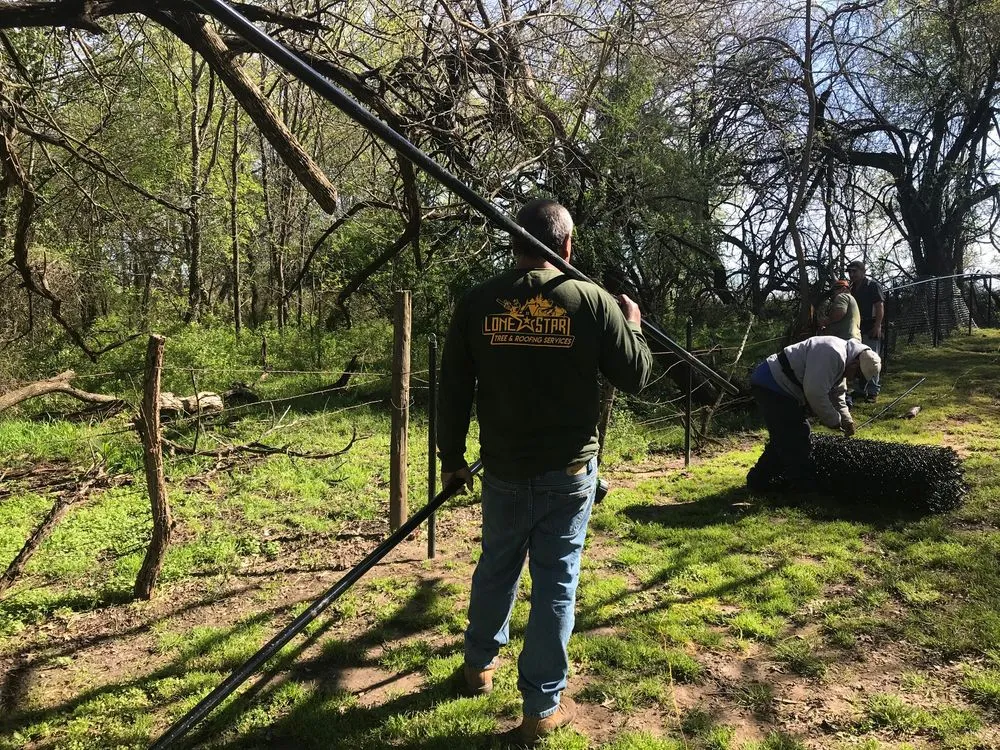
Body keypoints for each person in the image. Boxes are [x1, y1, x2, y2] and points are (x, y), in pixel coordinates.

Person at [437, 198, 652, 744]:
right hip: (568, 473)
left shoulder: (479, 302)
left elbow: (455, 389)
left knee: (497, 567)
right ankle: (540, 709)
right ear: (567, 247)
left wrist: (451, 458)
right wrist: (633, 325)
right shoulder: (594, 302)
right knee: (556, 582)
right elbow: (637, 375)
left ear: (512, 242)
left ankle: (478, 666)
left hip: (505, 471)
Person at [746, 335, 880, 494]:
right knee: (797, 434)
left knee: (785, 437)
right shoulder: (833, 353)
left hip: (780, 387)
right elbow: (815, 393)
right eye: (857, 376)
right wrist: (834, 421)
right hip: (771, 384)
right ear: (855, 364)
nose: (854, 379)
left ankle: (758, 481)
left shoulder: (844, 358)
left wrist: (847, 419)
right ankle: (801, 488)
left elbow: (837, 394)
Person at [847, 260, 885, 401]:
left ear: (863, 271)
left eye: (854, 271)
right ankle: (860, 390)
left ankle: (873, 391)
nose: (852, 274)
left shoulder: (872, 286)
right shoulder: (851, 288)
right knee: (858, 360)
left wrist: (877, 326)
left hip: (871, 327)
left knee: (872, 360)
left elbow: (879, 306)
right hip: (857, 329)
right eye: (850, 272)